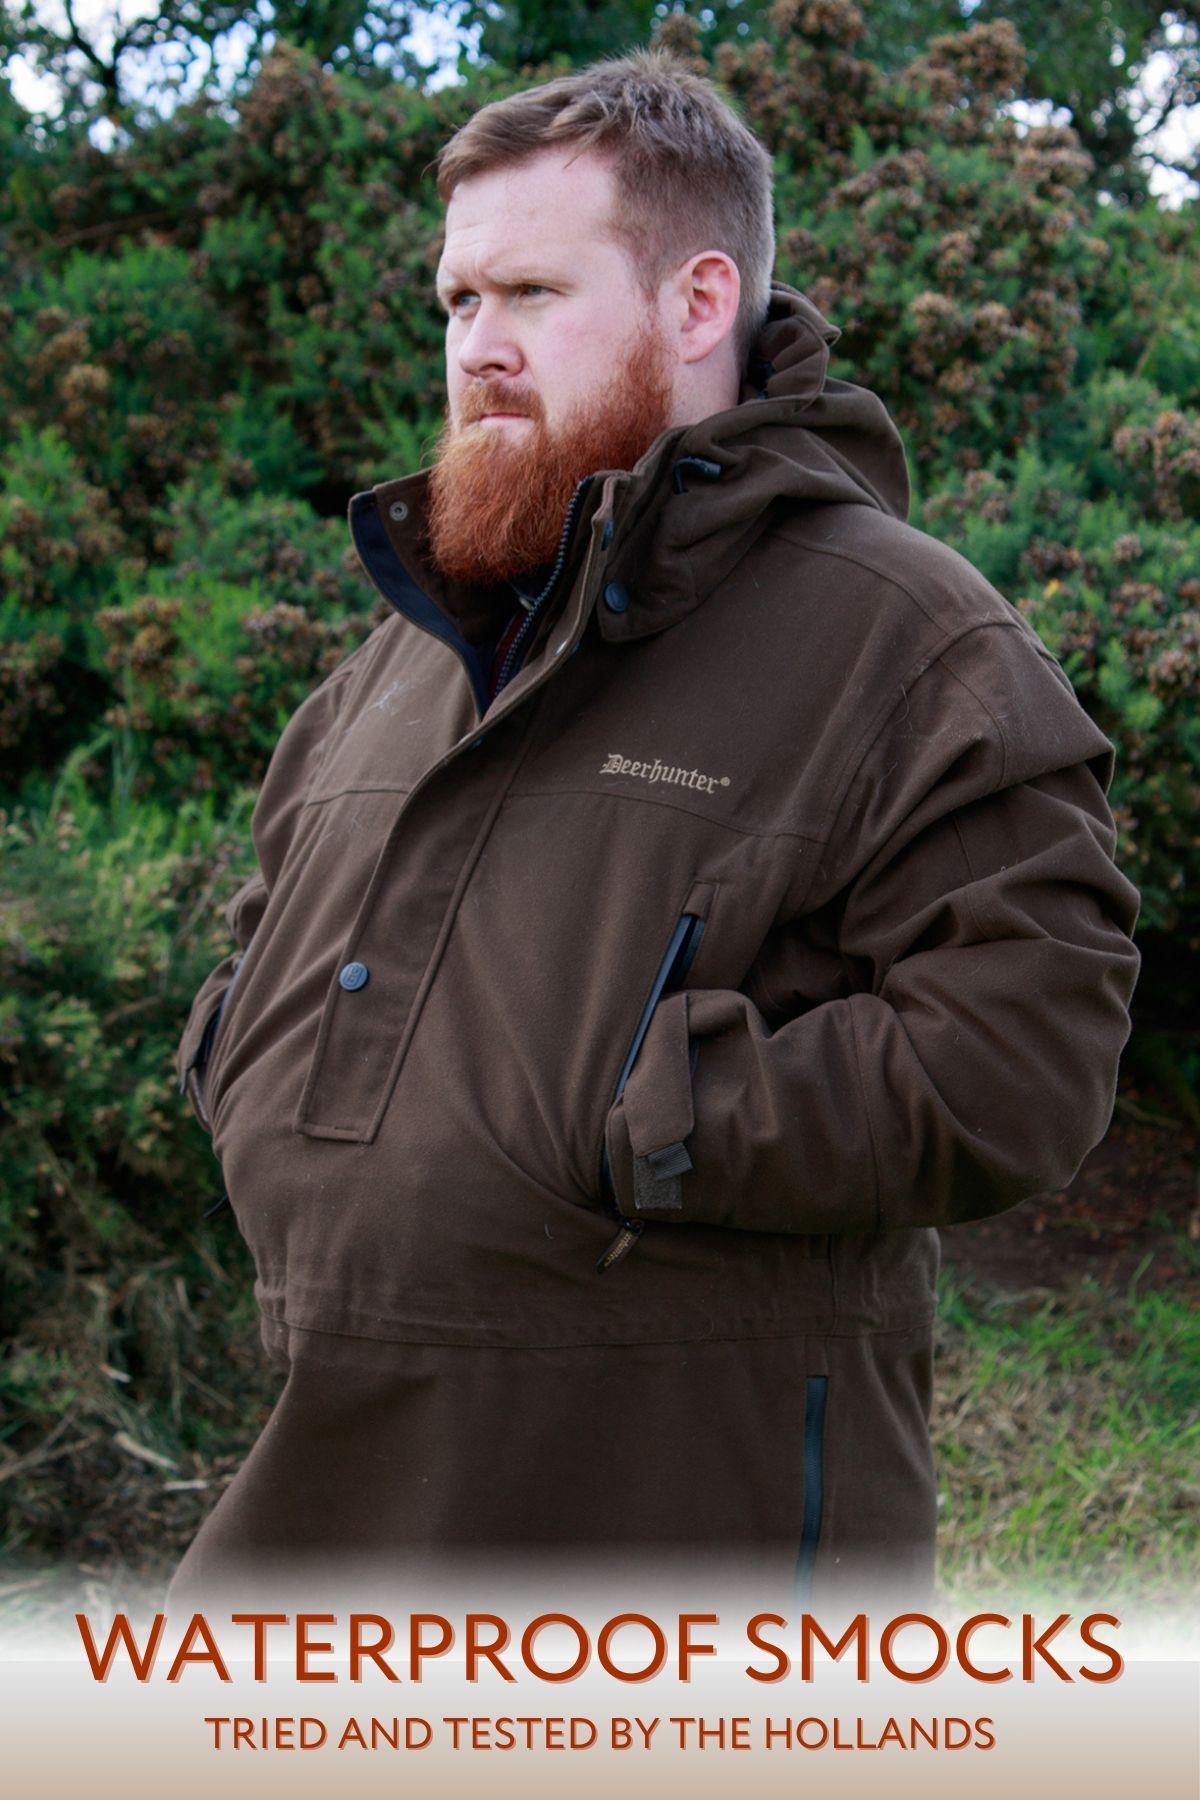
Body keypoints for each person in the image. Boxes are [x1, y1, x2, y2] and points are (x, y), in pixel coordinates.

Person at [171, 49, 1139, 1605]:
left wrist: (647, 1118)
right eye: (456, 304)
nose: (478, 348)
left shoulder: (904, 637)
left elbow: (1028, 1053)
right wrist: (245, 1063)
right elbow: (273, 928)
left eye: (532, 295)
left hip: (677, 1513)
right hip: (328, 1494)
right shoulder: (404, 657)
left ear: (699, 306)